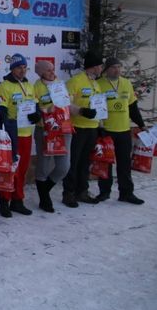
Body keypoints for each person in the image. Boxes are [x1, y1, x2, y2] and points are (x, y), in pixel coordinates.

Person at [96, 57, 146, 204]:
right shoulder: (99, 84)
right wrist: (100, 127)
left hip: (124, 130)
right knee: (106, 163)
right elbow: (96, 107)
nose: (117, 70)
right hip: (107, 130)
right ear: (106, 69)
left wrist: (141, 124)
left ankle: (126, 193)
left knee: (124, 164)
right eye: (113, 67)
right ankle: (104, 192)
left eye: (119, 67)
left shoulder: (126, 83)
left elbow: (132, 107)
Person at [0, 53, 40, 217]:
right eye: (19, 67)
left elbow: (35, 105)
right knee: (9, 169)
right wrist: (6, 116)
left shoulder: (29, 85)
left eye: (24, 67)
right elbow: (1, 109)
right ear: (12, 68)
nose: (22, 70)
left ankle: (17, 200)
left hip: (26, 134)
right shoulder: (4, 86)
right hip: (12, 134)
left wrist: (37, 114)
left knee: (22, 169)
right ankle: (4, 201)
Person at [62, 50, 104, 207]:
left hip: (92, 128)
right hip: (77, 128)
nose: (101, 69)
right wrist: (81, 111)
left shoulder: (96, 83)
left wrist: (101, 125)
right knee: (73, 162)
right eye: (100, 66)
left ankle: (82, 191)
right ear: (93, 66)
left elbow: (99, 107)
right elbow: (65, 103)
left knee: (85, 162)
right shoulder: (76, 81)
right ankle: (68, 193)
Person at [32, 60, 73, 213]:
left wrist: (82, 111)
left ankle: (45, 189)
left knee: (64, 166)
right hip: (45, 130)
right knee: (44, 165)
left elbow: (68, 105)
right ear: (41, 72)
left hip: (64, 129)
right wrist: (50, 107)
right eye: (48, 70)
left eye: (52, 69)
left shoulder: (60, 84)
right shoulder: (35, 87)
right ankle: (44, 199)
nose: (52, 72)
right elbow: (35, 108)